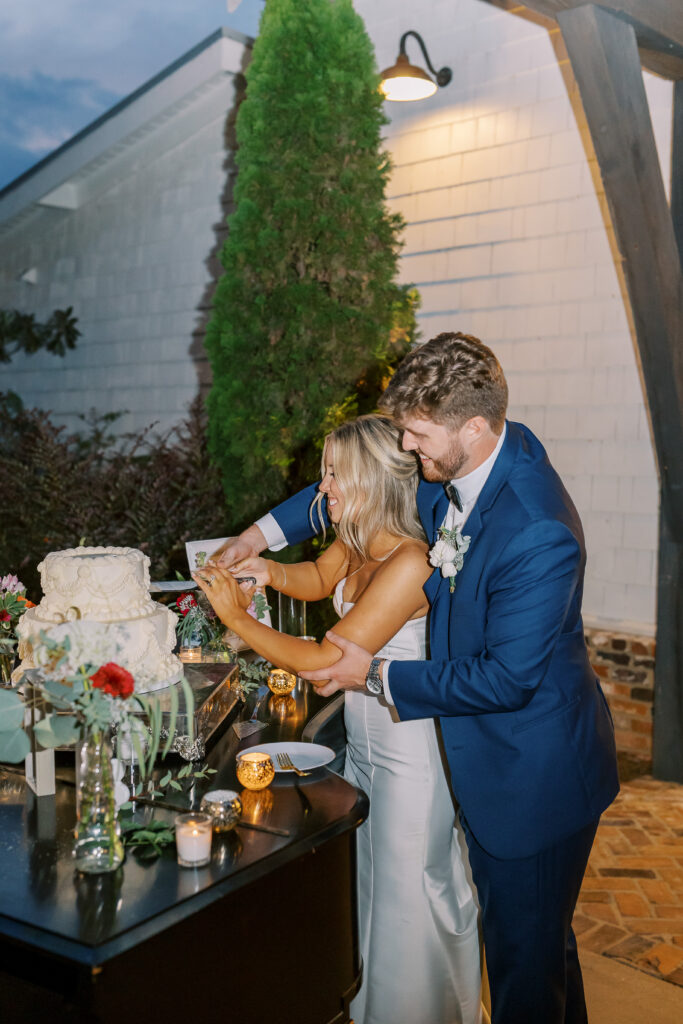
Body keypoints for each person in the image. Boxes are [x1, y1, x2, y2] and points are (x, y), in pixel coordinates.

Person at [213, 333, 620, 1024]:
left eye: (417, 433)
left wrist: (374, 674)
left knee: (522, 966)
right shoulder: (452, 467)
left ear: (473, 426)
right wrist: (254, 541)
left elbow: (504, 682)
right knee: (540, 953)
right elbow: (345, 496)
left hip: (532, 772)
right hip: (469, 748)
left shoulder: (536, 530)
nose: (406, 447)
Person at [195, 414, 484, 1024]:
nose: (322, 490)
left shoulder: (411, 562)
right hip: (365, 747)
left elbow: (329, 661)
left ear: (373, 482)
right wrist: (265, 570)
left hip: (411, 758)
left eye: (334, 476)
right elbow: (320, 577)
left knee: (407, 895)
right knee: (370, 885)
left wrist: (241, 622)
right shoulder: (358, 538)